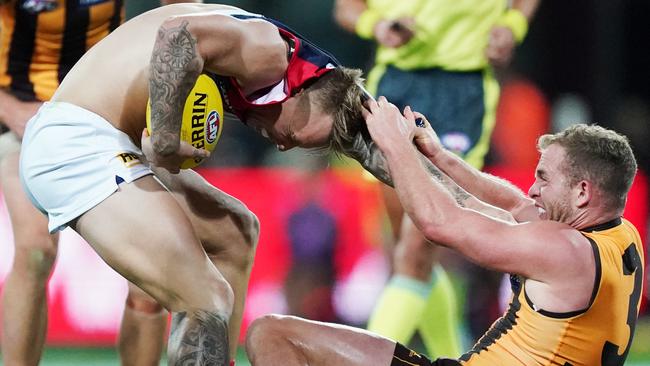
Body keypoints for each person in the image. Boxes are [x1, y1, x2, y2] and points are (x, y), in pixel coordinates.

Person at [17, 3, 371, 364]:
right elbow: (176, 34)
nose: (282, 145)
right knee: (204, 297)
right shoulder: (258, 49)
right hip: (77, 142)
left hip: (108, 140)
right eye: (293, 135)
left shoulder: (243, 38)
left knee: (235, 230)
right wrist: (168, 138)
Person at [245, 98, 644, 366]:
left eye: (543, 178)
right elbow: (515, 205)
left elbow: (440, 224)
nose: (534, 188)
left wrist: (393, 143)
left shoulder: (562, 249)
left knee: (270, 334)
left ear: (582, 191)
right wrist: (440, 156)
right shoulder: (619, 235)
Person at [333, 0, 542, 355]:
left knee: (415, 251)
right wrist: (377, 26)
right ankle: (455, 354)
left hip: (461, 90)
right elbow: (345, 8)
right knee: (407, 249)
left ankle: (362, 360)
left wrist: (512, 26)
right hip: (396, 84)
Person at [0, 1, 201, 365]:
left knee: (148, 277)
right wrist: (10, 109)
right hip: (23, 116)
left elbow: (188, 16)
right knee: (35, 250)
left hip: (104, 116)